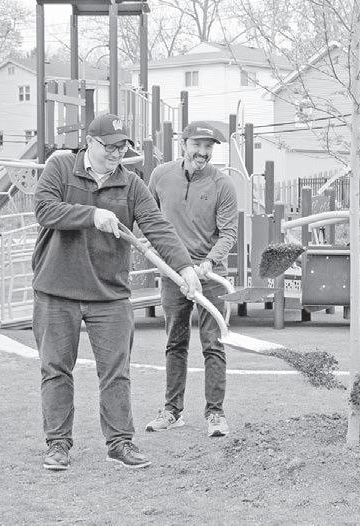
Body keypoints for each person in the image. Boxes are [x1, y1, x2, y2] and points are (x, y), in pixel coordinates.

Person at [33, 113, 202, 471]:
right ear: (89, 142)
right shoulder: (60, 168)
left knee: (116, 372)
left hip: (109, 295)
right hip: (56, 290)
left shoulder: (132, 185)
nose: (116, 153)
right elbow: (45, 210)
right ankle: (58, 444)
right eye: (109, 146)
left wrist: (185, 268)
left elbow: (158, 227)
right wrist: (92, 215)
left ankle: (120, 442)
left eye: (122, 147)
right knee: (56, 370)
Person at [145, 121, 238, 438]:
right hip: (172, 274)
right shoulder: (161, 176)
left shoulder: (222, 184)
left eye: (208, 147)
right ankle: (172, 411)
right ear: (183, 144)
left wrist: (209, 262)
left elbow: (229, 233)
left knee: (213, 344)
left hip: (208, 275)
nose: (203, 152)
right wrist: (154, 249)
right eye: (197, 144)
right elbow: (149, 218)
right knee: (175, 342)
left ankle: (215, 414)